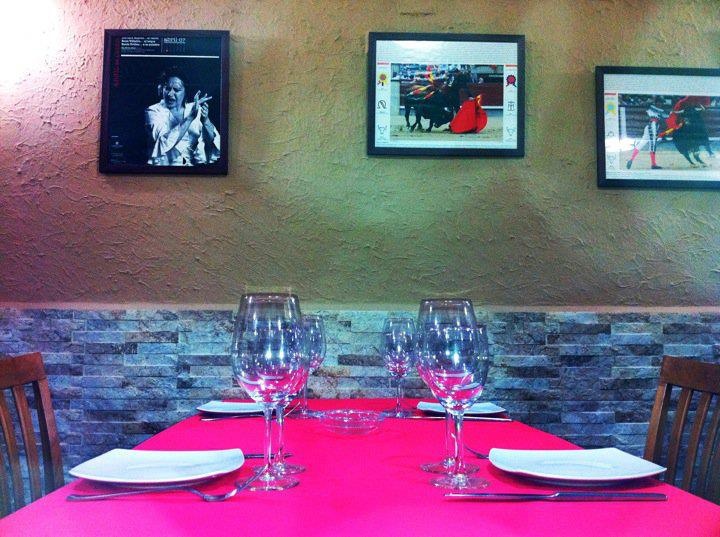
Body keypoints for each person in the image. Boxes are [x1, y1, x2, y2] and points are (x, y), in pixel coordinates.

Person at [145, 69, 221, 166]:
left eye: (176, 90)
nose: (170, 94)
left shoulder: (193, 108)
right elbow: (163, 141)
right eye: (167, 88)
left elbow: (210, 141)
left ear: (185, 91)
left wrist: (205, 121)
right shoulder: (153, 111)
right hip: (163, 170)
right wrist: (190, 118)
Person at [626, 96, 667, 170]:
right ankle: (653, 164)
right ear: (657, 102)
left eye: (661, 103)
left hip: (649, 127)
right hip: (652, 126)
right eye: (660, 102)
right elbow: (644, 104)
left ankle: (631, 159)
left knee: (642, 143)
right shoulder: (653, 107)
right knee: (652, 145)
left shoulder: (652, 107)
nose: (661, 104)